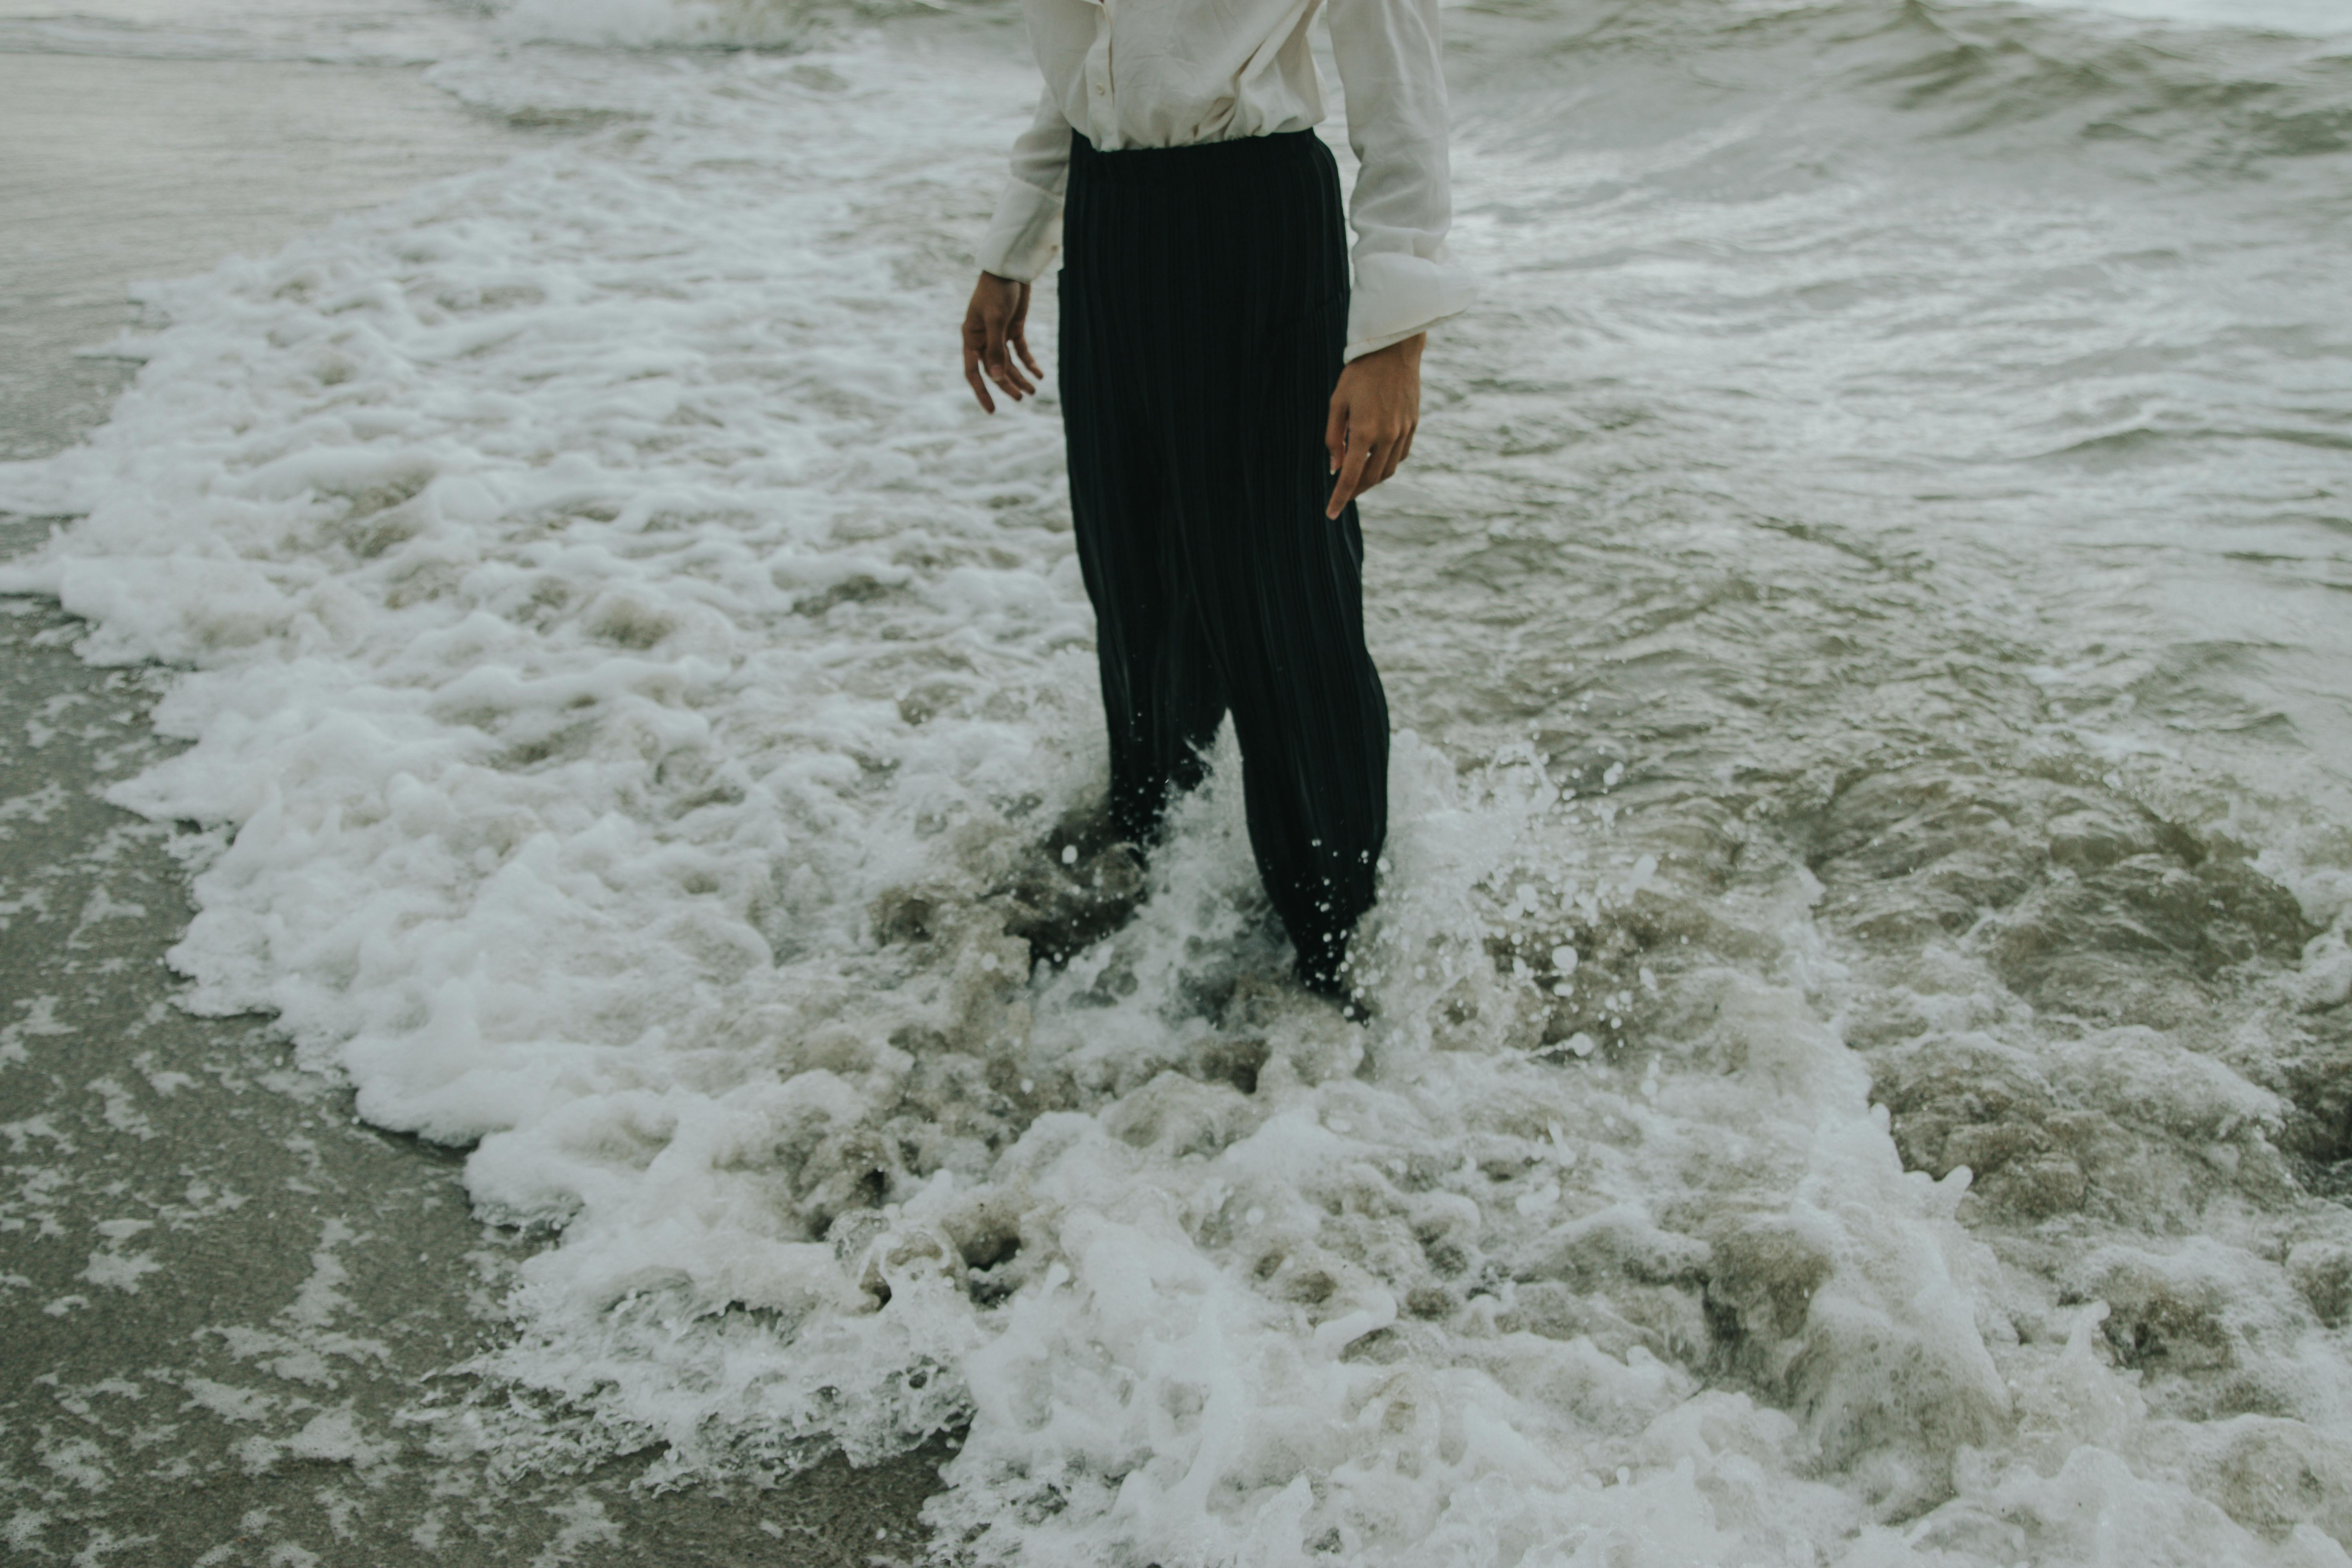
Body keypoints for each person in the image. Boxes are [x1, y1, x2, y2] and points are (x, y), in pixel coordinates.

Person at [959, 0, 1474, 998]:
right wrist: (1012, 245)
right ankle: (1154, 889)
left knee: (1283, 602)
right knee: (1139, 587)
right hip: (1111, 221)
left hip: (1254, 222)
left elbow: (1401, 94)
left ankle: (1340, 959)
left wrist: (1394, 337)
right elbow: (1093, 65)